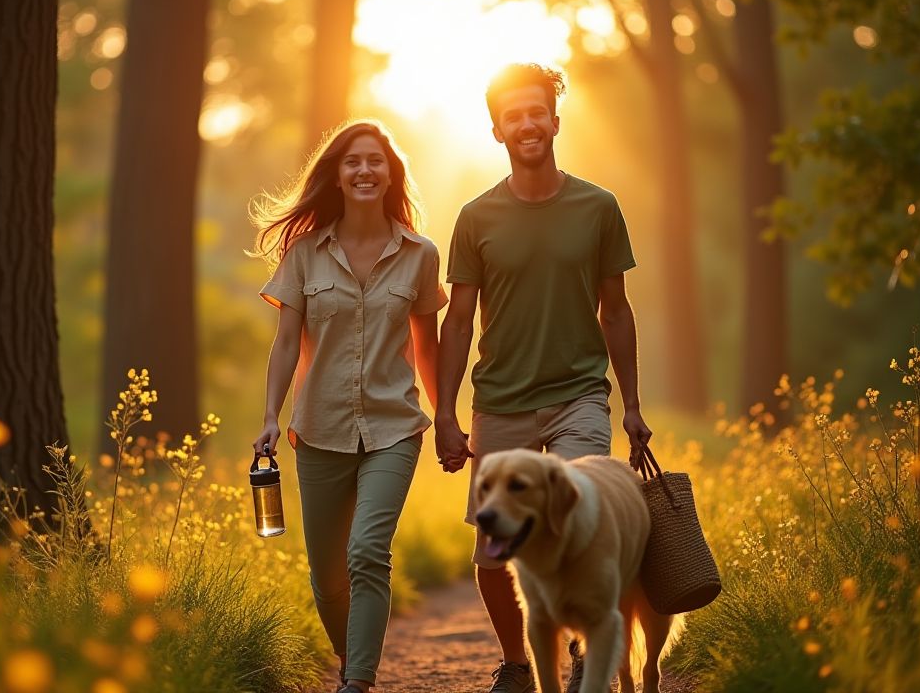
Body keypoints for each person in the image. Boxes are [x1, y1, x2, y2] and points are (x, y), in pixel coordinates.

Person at [434, 63, 653, 693]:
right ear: (497, 131)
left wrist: (631, 404)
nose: (527, 124)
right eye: (514, 116)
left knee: (584, 519)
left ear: (555, 122)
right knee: (491, 544)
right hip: (500, 398)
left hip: (578, 393)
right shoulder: (476, 217)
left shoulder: (598, 207)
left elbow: (616, 310)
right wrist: (445, 413)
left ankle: (587, 652)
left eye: (537, 113)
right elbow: (458, 320)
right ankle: (518, 664)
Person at [251, 120, 447, 693]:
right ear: (336, 175)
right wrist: (270, 416)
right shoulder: (304, 254)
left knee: (367, 551)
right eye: (352, 161)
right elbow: (286, 343)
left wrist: (447, 420)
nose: (364, 170)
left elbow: (427, 346)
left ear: (391, 174)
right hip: (319, 428)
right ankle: (350, 660)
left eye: (375, 161)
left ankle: (357, 682)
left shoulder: (420, 254)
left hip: (394, 427)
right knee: (328, 578)